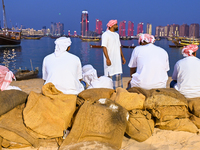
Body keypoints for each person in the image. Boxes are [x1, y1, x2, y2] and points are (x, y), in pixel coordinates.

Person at [101, 19, 126, 89]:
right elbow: (104, 47)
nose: (117, 26)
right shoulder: (105, 34)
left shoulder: (117, 35)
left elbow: (119, 46)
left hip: (117, 61)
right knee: (110, 75)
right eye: (116, 25)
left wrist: (123, 57)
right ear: (112, 26)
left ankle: (118, 91)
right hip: (110, 60)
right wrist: (107, 59)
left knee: (118, 76)